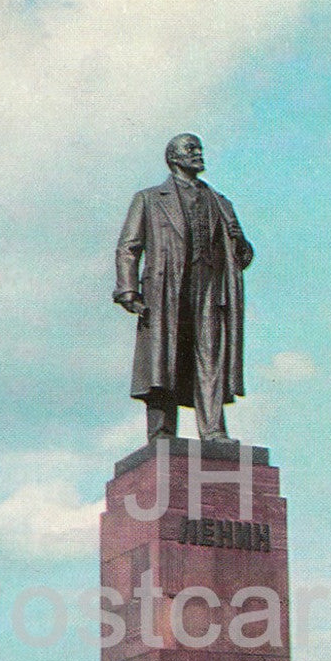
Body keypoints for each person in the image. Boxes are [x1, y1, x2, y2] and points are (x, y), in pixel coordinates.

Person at [114, 134, 253, 442]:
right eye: (191, 149)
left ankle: (213, 430)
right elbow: (128, 247)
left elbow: (242, 257)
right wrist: (127, 289)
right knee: (163, 360)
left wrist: (239, 242)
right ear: (173, 157)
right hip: (165, 290)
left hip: (209, 290)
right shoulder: (149, 199)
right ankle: (162, 432)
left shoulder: (220, 202)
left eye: (200, 148)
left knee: (210, 356)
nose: (198, 154)